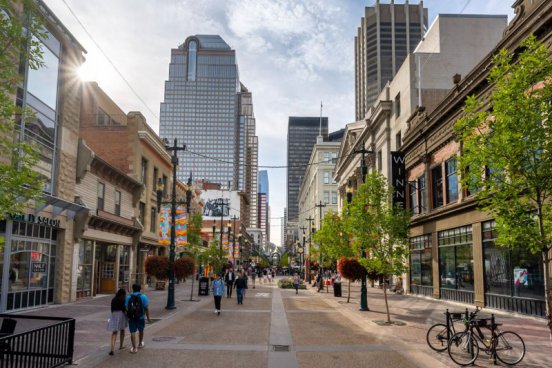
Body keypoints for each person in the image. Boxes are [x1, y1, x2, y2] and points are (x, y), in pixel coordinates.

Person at [125, 284, 151, 354]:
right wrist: (148, 317)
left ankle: (134, 348)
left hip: (132, 318)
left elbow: (126, 308)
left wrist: (128, 315)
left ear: (133, 289)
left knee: (132, 332)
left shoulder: (128, 297)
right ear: (140, 289)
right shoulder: (143, 296)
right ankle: (140, 343)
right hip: (141, 317)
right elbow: (146, 308)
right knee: (141, 330)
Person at [107, 288, 128, 356]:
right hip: (121, 314)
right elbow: (124, 309)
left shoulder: (113, 299)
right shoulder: (123, 299)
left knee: (114, 331)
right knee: (122, 330)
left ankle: (112, 349)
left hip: (114, 314)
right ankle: (121, 345)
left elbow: (111, 309)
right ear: (123, 294)